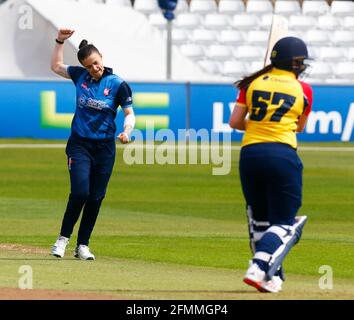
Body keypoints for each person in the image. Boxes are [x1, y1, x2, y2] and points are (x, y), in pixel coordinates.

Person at [229, 37, 313, 292]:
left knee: (261, 221)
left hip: (250, 154)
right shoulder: (303, 89)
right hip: (282, 154)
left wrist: (257, 124)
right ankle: (259, 265)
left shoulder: (252, 83)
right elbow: (299, 126)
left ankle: (270, 276)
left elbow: (235, 122)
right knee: (286, 223)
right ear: (294, 63)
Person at [50, 29, 135, 260]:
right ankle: (62, 240)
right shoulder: (80, 76)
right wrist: (59, 41)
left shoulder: (118, 84)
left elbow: (129, 113)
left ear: (101, 58)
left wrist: (127, 131)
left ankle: (82, 245)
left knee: (96, 197)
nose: (93, 69)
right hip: (80, 144)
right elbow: (56, 66)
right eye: (88, 66)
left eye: (95, 63)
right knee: (80, 192)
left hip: (105, 148)